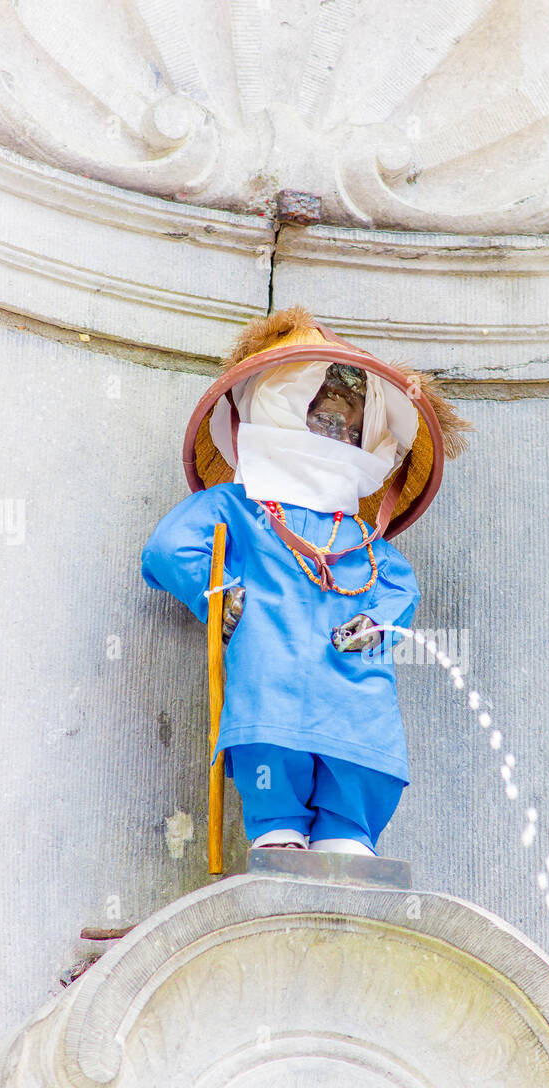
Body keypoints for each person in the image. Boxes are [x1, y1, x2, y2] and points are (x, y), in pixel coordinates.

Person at [141, 308, 468, 858]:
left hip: (352, 684)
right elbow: (170, 545)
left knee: (362, 745)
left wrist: (376, 621)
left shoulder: (362, 537)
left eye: (352, 413)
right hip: (271, 668)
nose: (337, 420)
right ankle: (278, 828)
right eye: (320, 407)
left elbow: (398, 587)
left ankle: (349, 834)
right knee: (271, 737)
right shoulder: (235, 509)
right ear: (278, 403)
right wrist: (216, 592)